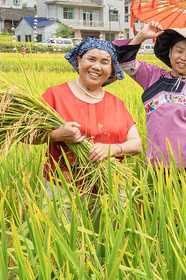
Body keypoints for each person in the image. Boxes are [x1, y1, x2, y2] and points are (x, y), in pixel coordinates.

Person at [35, 39, 142, 216]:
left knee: (108, 241)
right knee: (60, 240)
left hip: (109, 189)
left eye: (104, 62)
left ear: (112, 69)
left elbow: (136, 144)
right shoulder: (55, 95)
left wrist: (112, 149)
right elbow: (29, 136)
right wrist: (58, 134)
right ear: (79, 61)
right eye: (91, 59)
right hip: (63, 190)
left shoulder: (117, 104)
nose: (96, 67)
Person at [113, 23, 186, 169]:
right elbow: (125, 63)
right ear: (170, 52)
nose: (183, 57)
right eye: (179, 51)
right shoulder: (153, 76)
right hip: (157, 165)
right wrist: (141, 36)